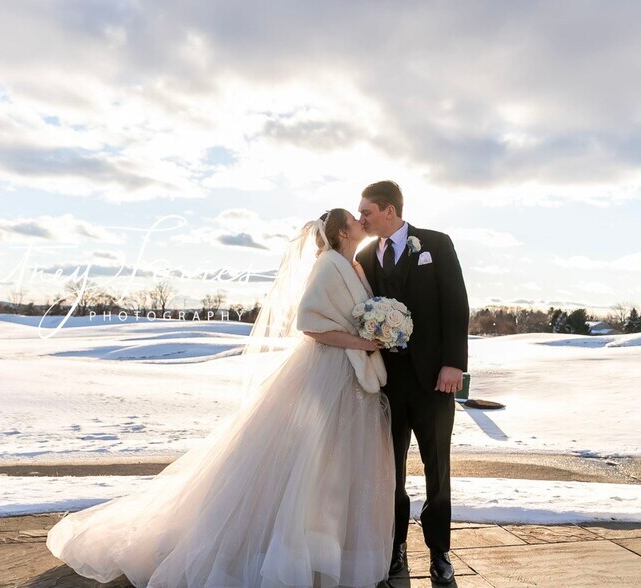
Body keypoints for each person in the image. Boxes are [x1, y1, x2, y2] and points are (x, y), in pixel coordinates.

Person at [46, 208, 396, 588]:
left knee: (338, 467)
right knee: (310, 464)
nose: (363, 220)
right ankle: (284, 551)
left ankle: (331, 551)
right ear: (342, 232)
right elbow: (309, 323)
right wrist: (361, 341)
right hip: (325, 372)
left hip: (352, 375)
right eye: (355, 218)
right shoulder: (327, 264)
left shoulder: (354, 265)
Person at [356, 181, 469, 585]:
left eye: (366, 211)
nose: (361, 218)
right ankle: (395, 547)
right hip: (385, 383)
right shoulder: (366, 255)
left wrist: (454, 364)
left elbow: (456, 304)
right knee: (391, 473)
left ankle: (440, 553)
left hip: (435, 381)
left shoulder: (435, 245)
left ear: (389, 210)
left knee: (437, 468)